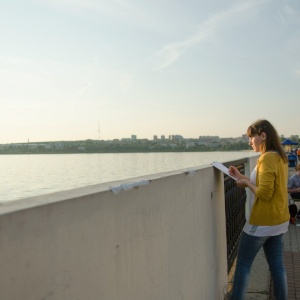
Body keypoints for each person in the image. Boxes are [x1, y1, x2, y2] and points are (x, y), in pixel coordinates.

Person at [228, 119, 289, 300]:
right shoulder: (280, 156)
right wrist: (243, 178)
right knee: (277, 265)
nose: (249, 142)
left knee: (243, 264)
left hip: (263, 222)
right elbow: (265, 185)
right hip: (279, 220)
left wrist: (246, 183)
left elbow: (265, 193)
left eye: (251, 137)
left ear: (263, 136)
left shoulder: (267, 158)